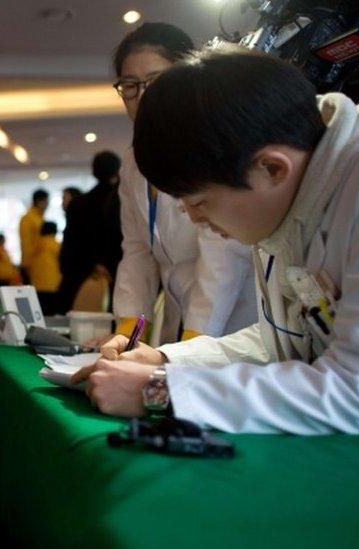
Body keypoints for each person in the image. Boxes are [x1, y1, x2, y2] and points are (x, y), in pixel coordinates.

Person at [72, 46, 359, 435]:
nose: (194, 218)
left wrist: (160, 391)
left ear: (271, 167)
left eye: (200, 202)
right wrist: (166, 359)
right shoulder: (295, 190)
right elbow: (282, 341)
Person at [110, 23, 255, 345]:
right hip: (179, 318)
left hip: (233, 321)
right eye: (130, 85)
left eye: (156, 81)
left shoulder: (215, 143)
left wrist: (194, 342)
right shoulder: (133, 162)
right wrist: (128, 333)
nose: (143, 96)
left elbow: (224, 255)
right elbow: (137, 250)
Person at [57, 152, 123, 313]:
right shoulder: (124, 202)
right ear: (118, 170)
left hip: (81, 278)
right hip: (119, 277)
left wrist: (92, 265)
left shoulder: (79, 204)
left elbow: (70, 249)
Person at [29, 222, 61, 314]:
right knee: (50, 313)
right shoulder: (56, 245)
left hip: (36, 285)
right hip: (52, 285)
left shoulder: (35, 245)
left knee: (38, 312)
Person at [18, 188, 48, 282]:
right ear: (39, 201)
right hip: (31, 265)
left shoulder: (41, 218)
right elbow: (26, 242)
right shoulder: (28, 218)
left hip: (40, 264)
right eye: (46, 201)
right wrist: (27, 265)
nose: (47, 205)